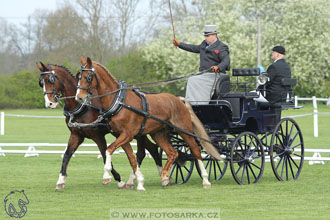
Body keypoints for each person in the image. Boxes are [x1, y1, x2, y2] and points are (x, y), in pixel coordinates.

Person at [173, 25, 230, 104]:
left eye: (207, 36)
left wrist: (218, 67)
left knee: (194, 80)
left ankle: (200, 103)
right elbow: (193, 48)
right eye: (205, 36)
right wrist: (179, 44)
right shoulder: (204, 44)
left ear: (214, 35)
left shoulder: (222, 47)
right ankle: (191, 102)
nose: (205, 38)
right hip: (203, 74)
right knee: (191, 78)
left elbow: (226, 61)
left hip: (215, 75)